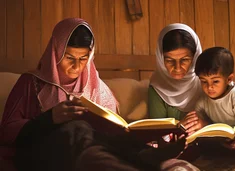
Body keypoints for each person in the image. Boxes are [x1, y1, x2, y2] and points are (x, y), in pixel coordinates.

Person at [0, 18, 199, 171]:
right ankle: (146, 161)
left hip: (89, 149)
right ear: (55, 53)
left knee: (96, 144)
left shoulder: (96, 87)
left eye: (84, 58)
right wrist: (50, 118)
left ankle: (148, 156)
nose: (77, 66)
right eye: (69, 57)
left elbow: (116, 129)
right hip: (44, 152)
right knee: (76, 129)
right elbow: (7, 131)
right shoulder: (30, 83)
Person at [148, 23, 235, 138]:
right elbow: (158, 132)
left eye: (184, 60)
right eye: (169, 60)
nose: (178, 67)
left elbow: (234, 95)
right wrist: (180, 127)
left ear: (194, 57)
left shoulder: (206, 77)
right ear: (160, 58)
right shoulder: (158, 88)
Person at [194, 46, 235, 154]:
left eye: (215, 81)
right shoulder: (202, 101)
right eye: (204, 81)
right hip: (219, 143)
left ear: (229, 79)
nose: (209, 87)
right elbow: (204, 127)